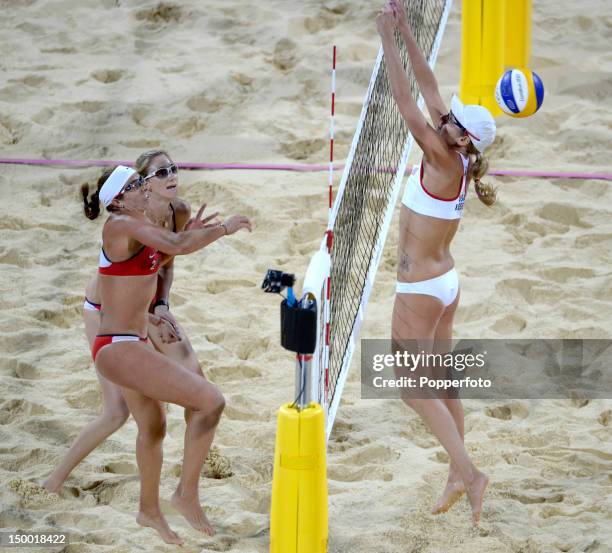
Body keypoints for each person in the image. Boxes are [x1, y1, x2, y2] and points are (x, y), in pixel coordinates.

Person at [66, 165, 249, 544]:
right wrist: (223, 228)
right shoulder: (119, 225)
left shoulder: (143, 231)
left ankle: (148, 510)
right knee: (210, 401)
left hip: (129, 341)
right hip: (118, 345)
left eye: (141, 180)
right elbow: (178, 247)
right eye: (135, 184)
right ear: (118, 200)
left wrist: (186, 236)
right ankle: (185, 494)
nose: (144, 186)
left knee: (154, 427)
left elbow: (161, 261)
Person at [376, 0, 497, 524]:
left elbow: (405, 99)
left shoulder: (440, 156)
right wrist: (405, 27)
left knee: (409, 385)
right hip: (445, 282)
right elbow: (428, 88)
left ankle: (469, 471)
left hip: (422, 288)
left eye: (454, 121)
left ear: (464, 138)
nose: (444, 117)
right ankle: (456, 472)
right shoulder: (461, 154)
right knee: (442, 380)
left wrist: (386, 39)